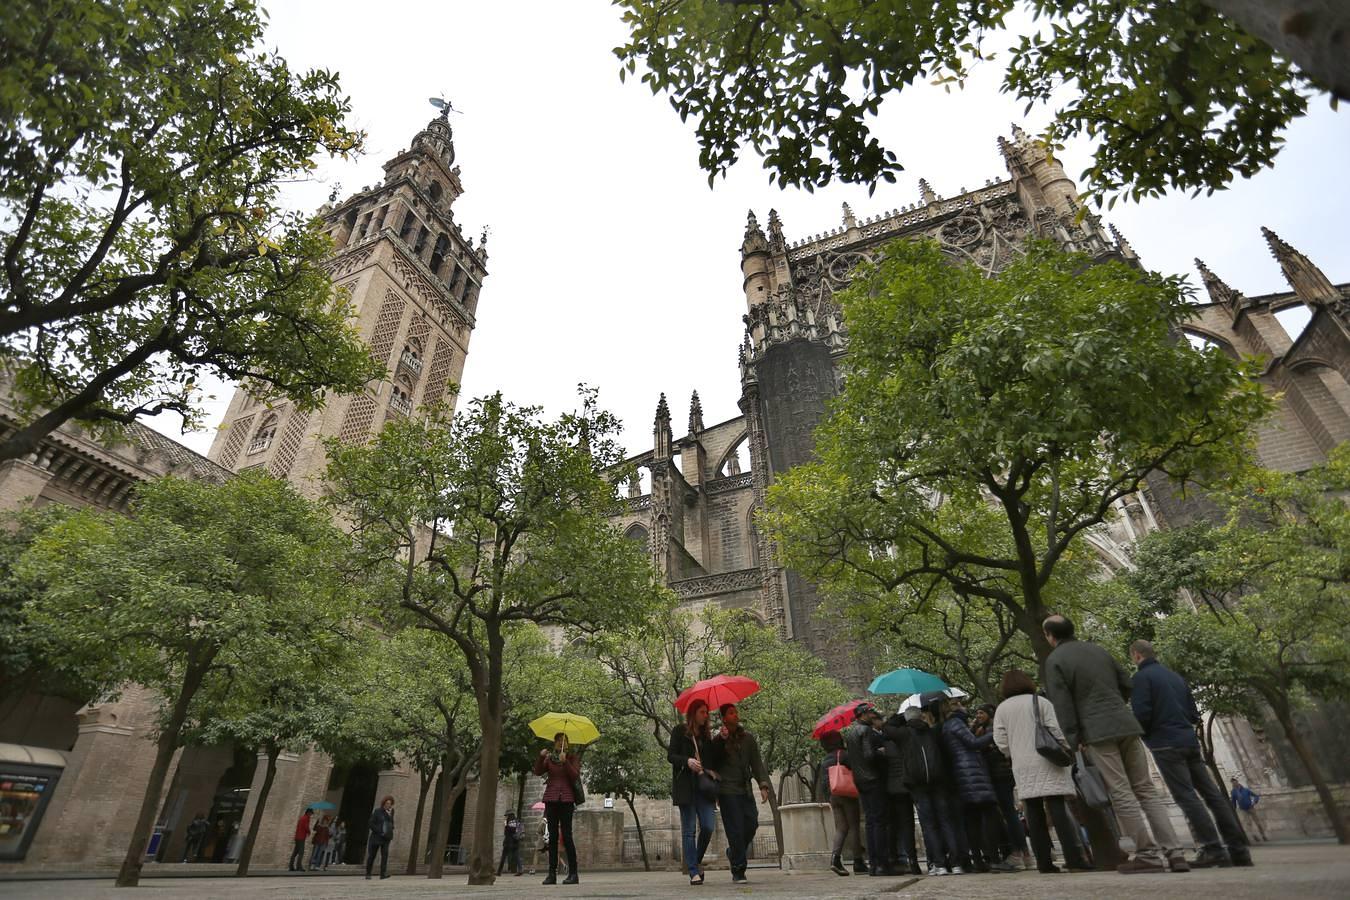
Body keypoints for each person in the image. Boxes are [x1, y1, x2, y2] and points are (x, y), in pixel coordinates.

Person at [1042, 615, 1188, 874]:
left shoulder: (1055, 661)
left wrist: (1075, 738)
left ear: (1050, 636)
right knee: (1146, 789)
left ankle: (1148, 854)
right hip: (1126, 723)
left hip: (1097, 731)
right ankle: (1175, 852)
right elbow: (1126, 684)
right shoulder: (1098, 650)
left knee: (1120, 791)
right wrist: (1114, 706)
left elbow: (1062, 705)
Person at [1129, 639, 1254, 868]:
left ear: (1136, 656)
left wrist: (1146, 735)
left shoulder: (1140, 679)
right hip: (1189, 741)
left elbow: (1142, 715)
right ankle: (1239, 850)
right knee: (1213, 795)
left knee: (1187, 796)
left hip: (1165, 743)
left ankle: (1212, 848)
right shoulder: (1175, 677)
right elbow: (1193, 713)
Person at [992, 669, 1092, 874]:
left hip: (1022, 764)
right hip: (1048, 760)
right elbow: (1056, 730)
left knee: (1034, 814)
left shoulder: (1002, 709)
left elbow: (1000, 742)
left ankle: (1044, 862)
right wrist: (1067, 748)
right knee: (1058, 811)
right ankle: (1074, 858)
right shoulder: (1040, 702)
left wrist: (1015, 751)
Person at [940, 696, 1017, 873]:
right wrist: (994, 734)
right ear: (954, 709)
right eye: (959, 704)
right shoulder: (956, 724)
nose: (965, 708)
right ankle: (993, 857)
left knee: (973, 819)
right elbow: (972, 743)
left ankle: (978, 859)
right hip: (972, 773)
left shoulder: (948, 726)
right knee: (989, 814)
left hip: (963, 775)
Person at [706, 703, 771, 885]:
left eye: (736, 712)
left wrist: (763, 785)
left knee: (752, 822)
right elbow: (711, 761)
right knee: (734, 830)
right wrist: (720, 739)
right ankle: (738, 869)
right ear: (724, 718)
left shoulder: (748, 739)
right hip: (727, 790)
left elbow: (757, 763)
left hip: (745, 789)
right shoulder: (718, 740)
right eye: (731, 713)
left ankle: (733, 852)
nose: (736, 715)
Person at [903, 696, 963, 875]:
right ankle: (957, 863)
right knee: (946, 822)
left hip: (920, 786)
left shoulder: (904, 735)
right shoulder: (934, 732)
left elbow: (888, 727)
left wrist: (906, 718)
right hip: (938, 782)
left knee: (929, 825)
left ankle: (939, 864)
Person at [973, 703, 1029, 868]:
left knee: (1009, 813)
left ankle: (1020, 853)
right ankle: (1023, 854)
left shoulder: (991, 731)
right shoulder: (986, 728)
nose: (978, 715)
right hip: (1002, 775)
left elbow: (991, 751)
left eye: (981, 712)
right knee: (1008, 813)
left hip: (1000, 776)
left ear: (990, 714)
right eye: (977, 712)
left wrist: (980, 741)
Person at [669, 698, 718, 885]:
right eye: (702, 712)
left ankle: (695, 861)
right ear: (693, 713)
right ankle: (692, 872)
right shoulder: (679, 731)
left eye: (707, 712)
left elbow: (712, 759)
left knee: (707, 826)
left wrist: (720, 738)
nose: (706, 716)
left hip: (703, 789)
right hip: (686, 788)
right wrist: (687, 761)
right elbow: (671, 756)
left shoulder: (706, 736)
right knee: (689, 831)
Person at [844, 702, 892, 875]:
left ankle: (873, 863)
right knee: (879, 821)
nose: (872, 715)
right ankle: (881, 864)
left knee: (871, 822)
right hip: (873, 779)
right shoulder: (866, 731)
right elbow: (869, 755)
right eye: (870, 712)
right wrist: (881, 752)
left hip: (860, 780)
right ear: (863, 715)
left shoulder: (850, 733)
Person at [533, 731, 582, 885]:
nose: (562, 743)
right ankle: (551, 874)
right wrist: (541, 757)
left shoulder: (572, 758)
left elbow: (575, 776)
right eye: (559, 741)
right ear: (554, 743)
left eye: (564, 740)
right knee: (552, 838)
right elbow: (538, 771)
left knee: (567, 836)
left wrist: (565, 762)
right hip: (551, 799)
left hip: (567, 799)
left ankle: (573, 874)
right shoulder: (549, 759)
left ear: (568, 743)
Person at [879, 712, 920, 875]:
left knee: (894, 824)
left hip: (892, 788)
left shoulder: (885, 744)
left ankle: (895, 858)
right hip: (908, 785)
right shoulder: (909, 739)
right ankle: (913, 860)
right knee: (908, 824)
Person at [819, 729, 864, 877]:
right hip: (847, 793)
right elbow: (857, 770)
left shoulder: (825, 760)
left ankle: (835, 859)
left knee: (841, 828)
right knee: (853, 827)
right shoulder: (843, 755)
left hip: (833, 796)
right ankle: (858, 861)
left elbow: (824, 782)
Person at [365, 796, 395, 880]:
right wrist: (379, 831)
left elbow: (391, 822)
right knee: (372, 856)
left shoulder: (391, 812)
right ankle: (368, 873)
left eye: (390, 804)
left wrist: (391, 827)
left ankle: (383, 874)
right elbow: (371, 823)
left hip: (386, 838)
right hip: (376, 837)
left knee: (385, 855)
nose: (388, 805)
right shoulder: (377, 811)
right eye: (387, 803)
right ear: (384, 803)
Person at [1230, 777, 1267, 843]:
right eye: (1232, 782)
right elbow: (1233, 801)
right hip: (1243, 809)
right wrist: (1234, 809)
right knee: (1248, 823)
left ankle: (1263, 835)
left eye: (1235, 781)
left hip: (1251, 808)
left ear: (1237, 782)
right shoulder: (1233, 792)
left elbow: (1256, 796)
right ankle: (1253, 835)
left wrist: (1254, 802)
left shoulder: (1246, 790)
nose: (1234, 783)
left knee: (1258, 822)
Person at [288, 808, 313, 872]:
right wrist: (309, 832)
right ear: (308, 813)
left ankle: (291, 866)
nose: (311, 815)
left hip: (297, 837)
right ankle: (299, 867)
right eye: (310, 813)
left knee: (295, 852)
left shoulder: (302, 818)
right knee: (301, 852)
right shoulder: (306, 818)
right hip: (301, 837)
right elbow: (306, 827)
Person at [498, 812, 522, 876]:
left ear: (509, 816)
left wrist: (506, 826)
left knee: (503, 857)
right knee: (517, 856)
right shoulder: (517, 822)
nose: (506, 817)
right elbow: (519, 831)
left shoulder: (507, 822)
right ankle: (520, 870)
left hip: (508, 842)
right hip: (515, 841)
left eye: (506, 816)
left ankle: (499, 871)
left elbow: (506, 833)